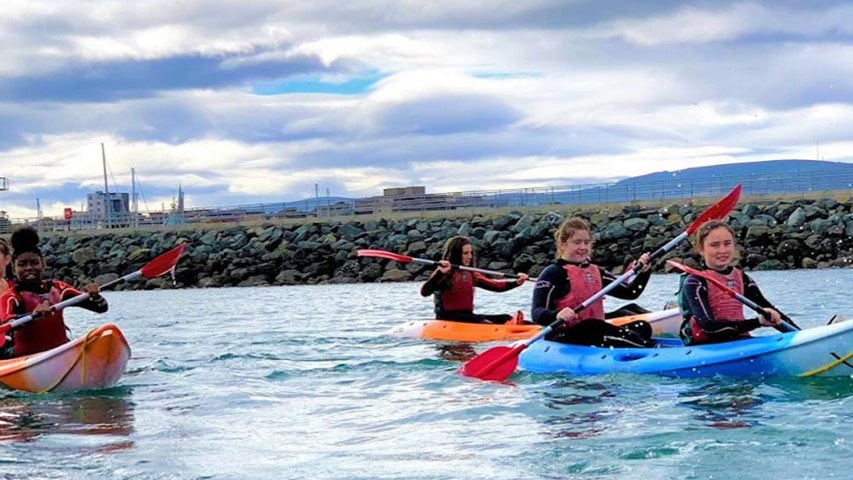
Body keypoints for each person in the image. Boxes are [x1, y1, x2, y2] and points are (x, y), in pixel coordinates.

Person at [531, 217, 655, 347]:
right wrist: (557, 315)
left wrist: (644, 272)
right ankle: (647, 348)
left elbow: (630, 292)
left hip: (594, 332)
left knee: (643, 327)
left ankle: (641, 345)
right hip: (563, 336)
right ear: (563, 244)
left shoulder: (596, 272)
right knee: (592, 326)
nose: (583, 247)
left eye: (586, 242)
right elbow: (537, 312)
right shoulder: (553, 273)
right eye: (577, 242)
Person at [0, 226, 108, 357]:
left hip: (59, 352)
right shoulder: (11, 296)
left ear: (43, 264)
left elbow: (101, 307)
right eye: (22, 264)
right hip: (25, 357)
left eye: (34, 263)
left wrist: (95, 296)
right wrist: (33, 316)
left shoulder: (59, 288)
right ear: (14, 268)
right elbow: (6, 323)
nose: (29, 268)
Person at [677, 220, 783, 345]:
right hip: (707, 346)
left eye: (727, 244)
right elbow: (709, 327)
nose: (722, 250)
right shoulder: (694, 282)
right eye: (715, 245)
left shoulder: (742, 278)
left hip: (738, 340)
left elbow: (772, 313)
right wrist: (757, 322)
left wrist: (799, 336)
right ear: (701, 249)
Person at [420, 236, 529, 324]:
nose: (470, 256)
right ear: (456, 254)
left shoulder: (471, 273)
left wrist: (516, 283)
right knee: (483, 321)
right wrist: (440, 273)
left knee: (505, 318)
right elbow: (425, 292)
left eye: (470, 252)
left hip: (468, 316)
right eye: (465, 253)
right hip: (448, 318)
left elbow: (495, 286)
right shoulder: (444, 272)